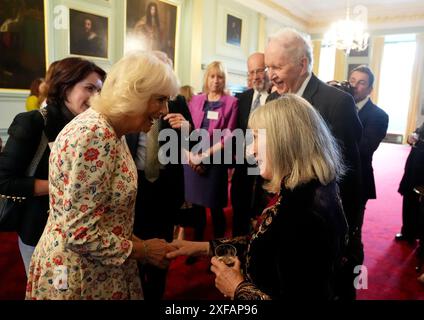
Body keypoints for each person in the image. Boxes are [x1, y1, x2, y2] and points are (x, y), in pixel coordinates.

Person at [25, 51, 179, 300]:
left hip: (100, 267)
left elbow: (106, 216)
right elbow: (79, 234)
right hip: (80, 276)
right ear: (134, 94)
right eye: (160, 100)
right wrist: (145, 250)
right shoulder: (95, 134)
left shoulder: (112, 130)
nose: (165, 110)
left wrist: (141, 243)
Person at [167, 95, 348, 300]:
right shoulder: (304, 189)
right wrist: (202, 248)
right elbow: (267, 243)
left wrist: (238, 288)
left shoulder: (304, 212)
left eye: (257, 137)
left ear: (285, 142)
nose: (251, 150)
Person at [264, 27, 363, 300]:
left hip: (321, 228)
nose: (270, 74)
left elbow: (350, 176)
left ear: (302, 64)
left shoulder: (337, 103)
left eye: (277, 66)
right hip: (285, 220)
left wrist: (346, 236)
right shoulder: (274, 99)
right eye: (267, 66)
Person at [0, 57, 106, 276]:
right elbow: (4, 182)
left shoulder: (93, 127)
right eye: (89, 88)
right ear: (65, 86)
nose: (96, 97)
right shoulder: (33, 122)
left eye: (99, 91)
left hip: (83, 232)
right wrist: (64, 186)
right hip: (40, 229)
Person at [125, 51, 194, 300]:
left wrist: (186, 128)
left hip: (166, 185)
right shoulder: (134, 101)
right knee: (136, 244)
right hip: (136, 184)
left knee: (163, 250)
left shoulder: (178, 101)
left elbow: (192, 143)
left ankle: (155, 292)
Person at [183, 61, 238, 245]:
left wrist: (204, 154)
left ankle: (218, 247)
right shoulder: (196, 100)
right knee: (197, 208)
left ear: (224, 80)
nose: (216, 80)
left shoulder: (231, 103)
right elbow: (188, 129)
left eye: (220, 76)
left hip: (216, 160)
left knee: (216, 207)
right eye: (212, 76)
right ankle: (196, 245)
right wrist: (189, 154)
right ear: (206, 78)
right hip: (194, 158)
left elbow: (229, 135)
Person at [348, 65, 389, 243]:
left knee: (352, 232)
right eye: (352, 81)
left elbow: (364, 149)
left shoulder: (379, 116)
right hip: (333, 178)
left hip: (358, 179)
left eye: (361, 83)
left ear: (370, 89)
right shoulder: (338, 107)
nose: (355, 86)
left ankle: (353, 269)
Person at [231, 52, 269, 236]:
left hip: (266, 168)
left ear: (268, 70)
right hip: (242, 165)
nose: (255, 76)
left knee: (260, 214)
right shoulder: (242, 98)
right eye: (251, 72)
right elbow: (236, 130)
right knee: (239, 209)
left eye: (260, 71)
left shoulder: (277, 99)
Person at [397, 122, 424, 243]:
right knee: (409, 196)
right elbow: (417, 132)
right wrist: (412, 136)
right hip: (416, 161)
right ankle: (408, 232)